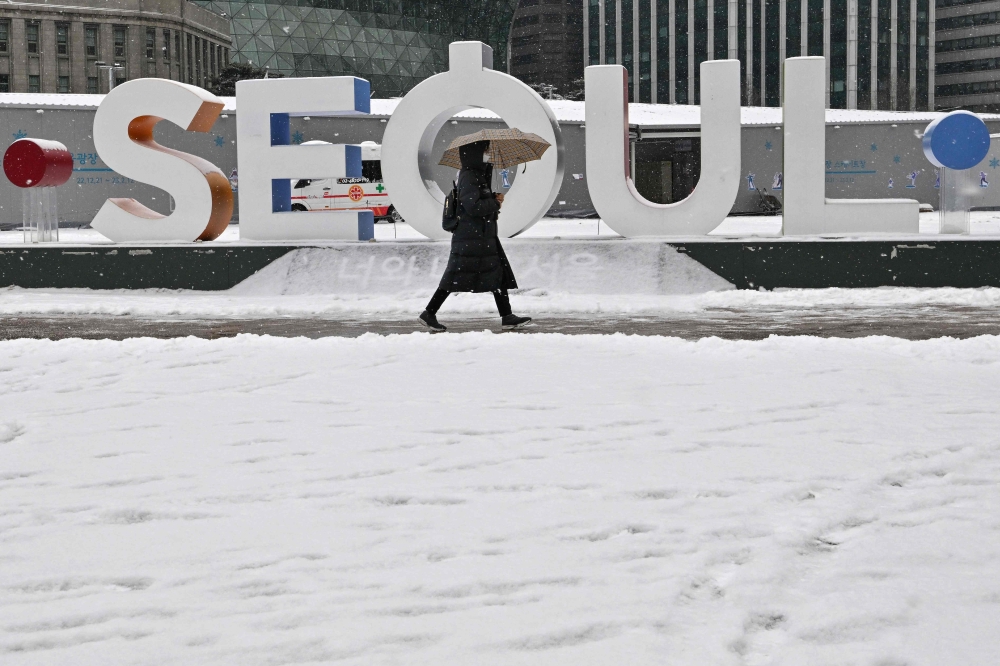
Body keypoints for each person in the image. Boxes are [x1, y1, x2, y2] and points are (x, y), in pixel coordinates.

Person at [419, 140, 532, 332]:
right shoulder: (469, 175)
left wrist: (493, 198)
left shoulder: (478, 174)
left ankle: (507, 316)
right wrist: (495, 204)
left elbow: (477, 201)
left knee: (496, 273)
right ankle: (429, 312)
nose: (488, 155)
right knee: (455, 276)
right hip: (471, 238)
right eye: (485, 151)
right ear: (475, 154)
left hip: (481, 236)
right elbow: (473, 207)